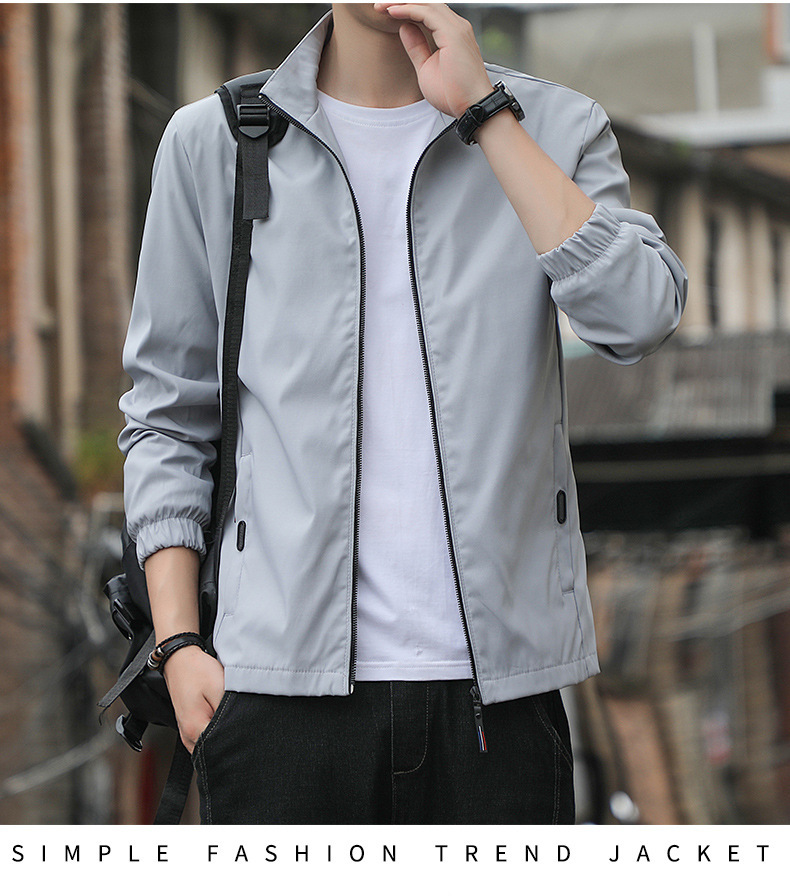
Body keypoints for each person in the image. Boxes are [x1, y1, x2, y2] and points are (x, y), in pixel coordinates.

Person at [118, 3, 687, 824]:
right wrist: (177, 645)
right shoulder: (216, 142)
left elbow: (638, 318)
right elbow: (169, 415)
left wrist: (486, 114)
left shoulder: (555, 127)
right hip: (276, 697)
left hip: (499, 701)